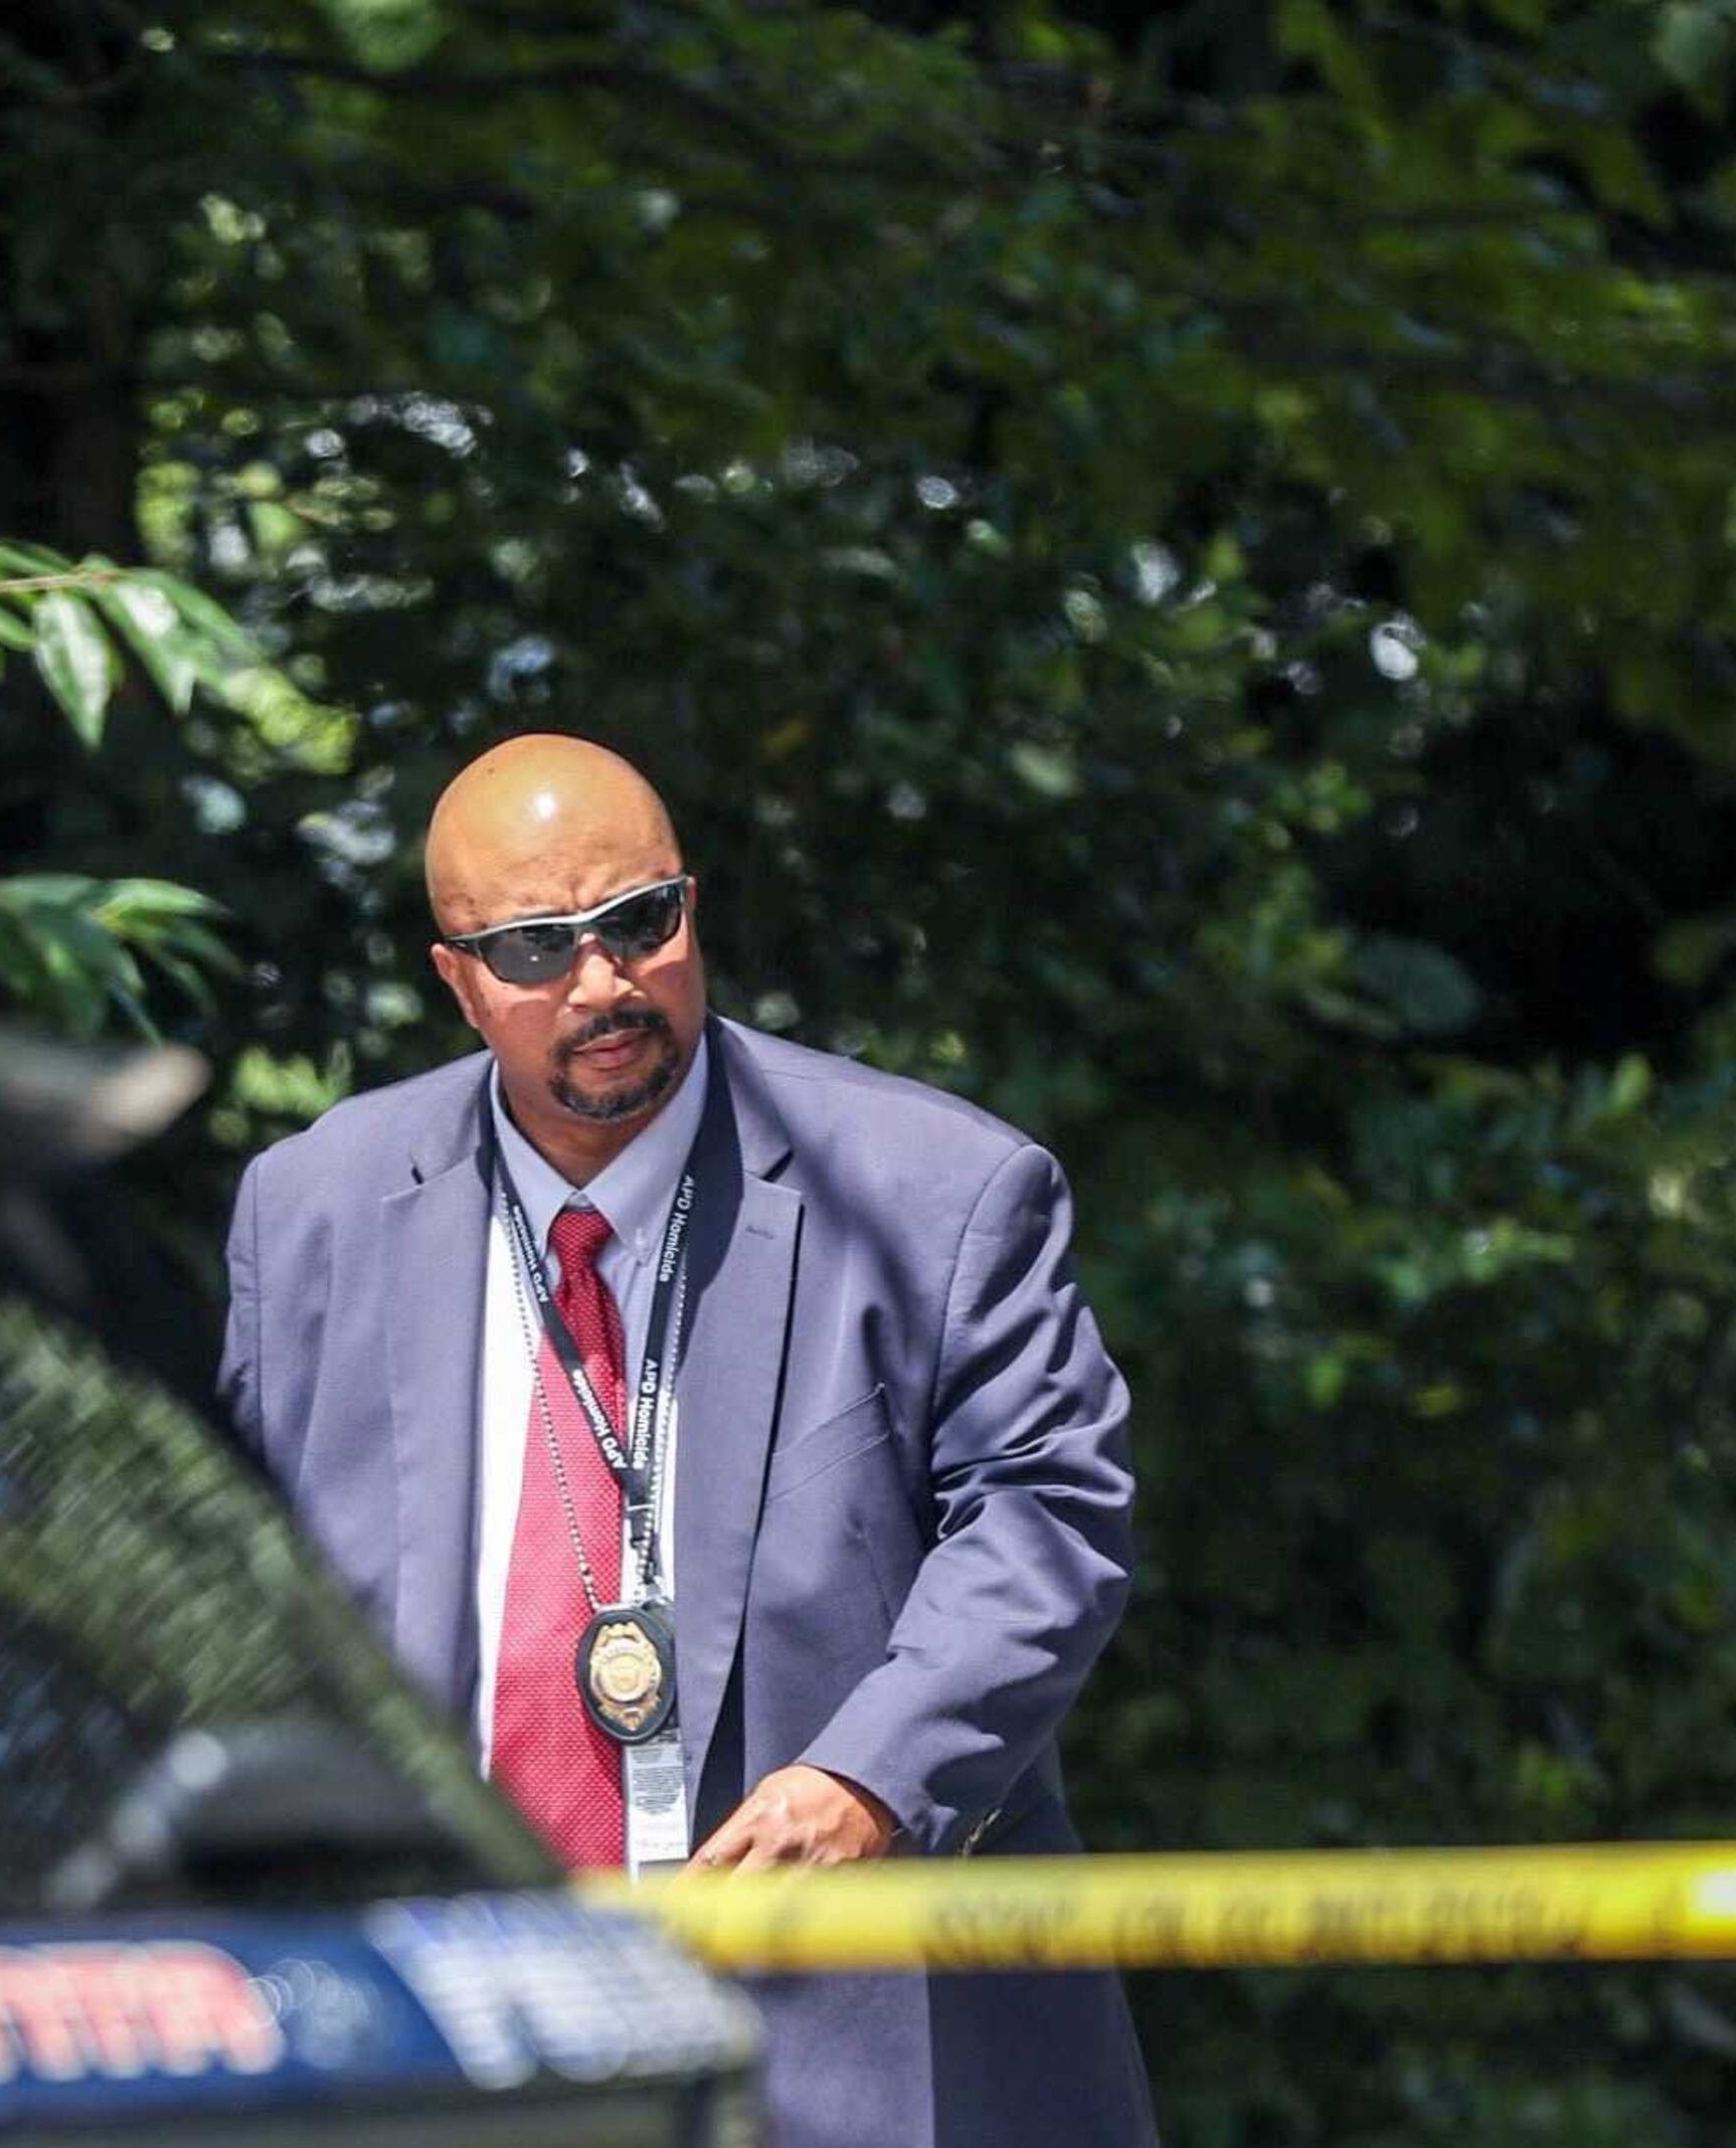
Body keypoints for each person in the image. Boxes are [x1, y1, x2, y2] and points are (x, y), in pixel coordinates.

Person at [216, 734, 1156, 2145]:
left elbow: (1047, 1514)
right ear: (458, 979)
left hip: (852, 2045)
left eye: (639, 921)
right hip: (455, 2051)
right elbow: (240, 1591)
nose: (601, 983)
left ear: (692, 909)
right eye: (536, 948)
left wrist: (870, 1779)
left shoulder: (937, 1192)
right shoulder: (314, 1210)